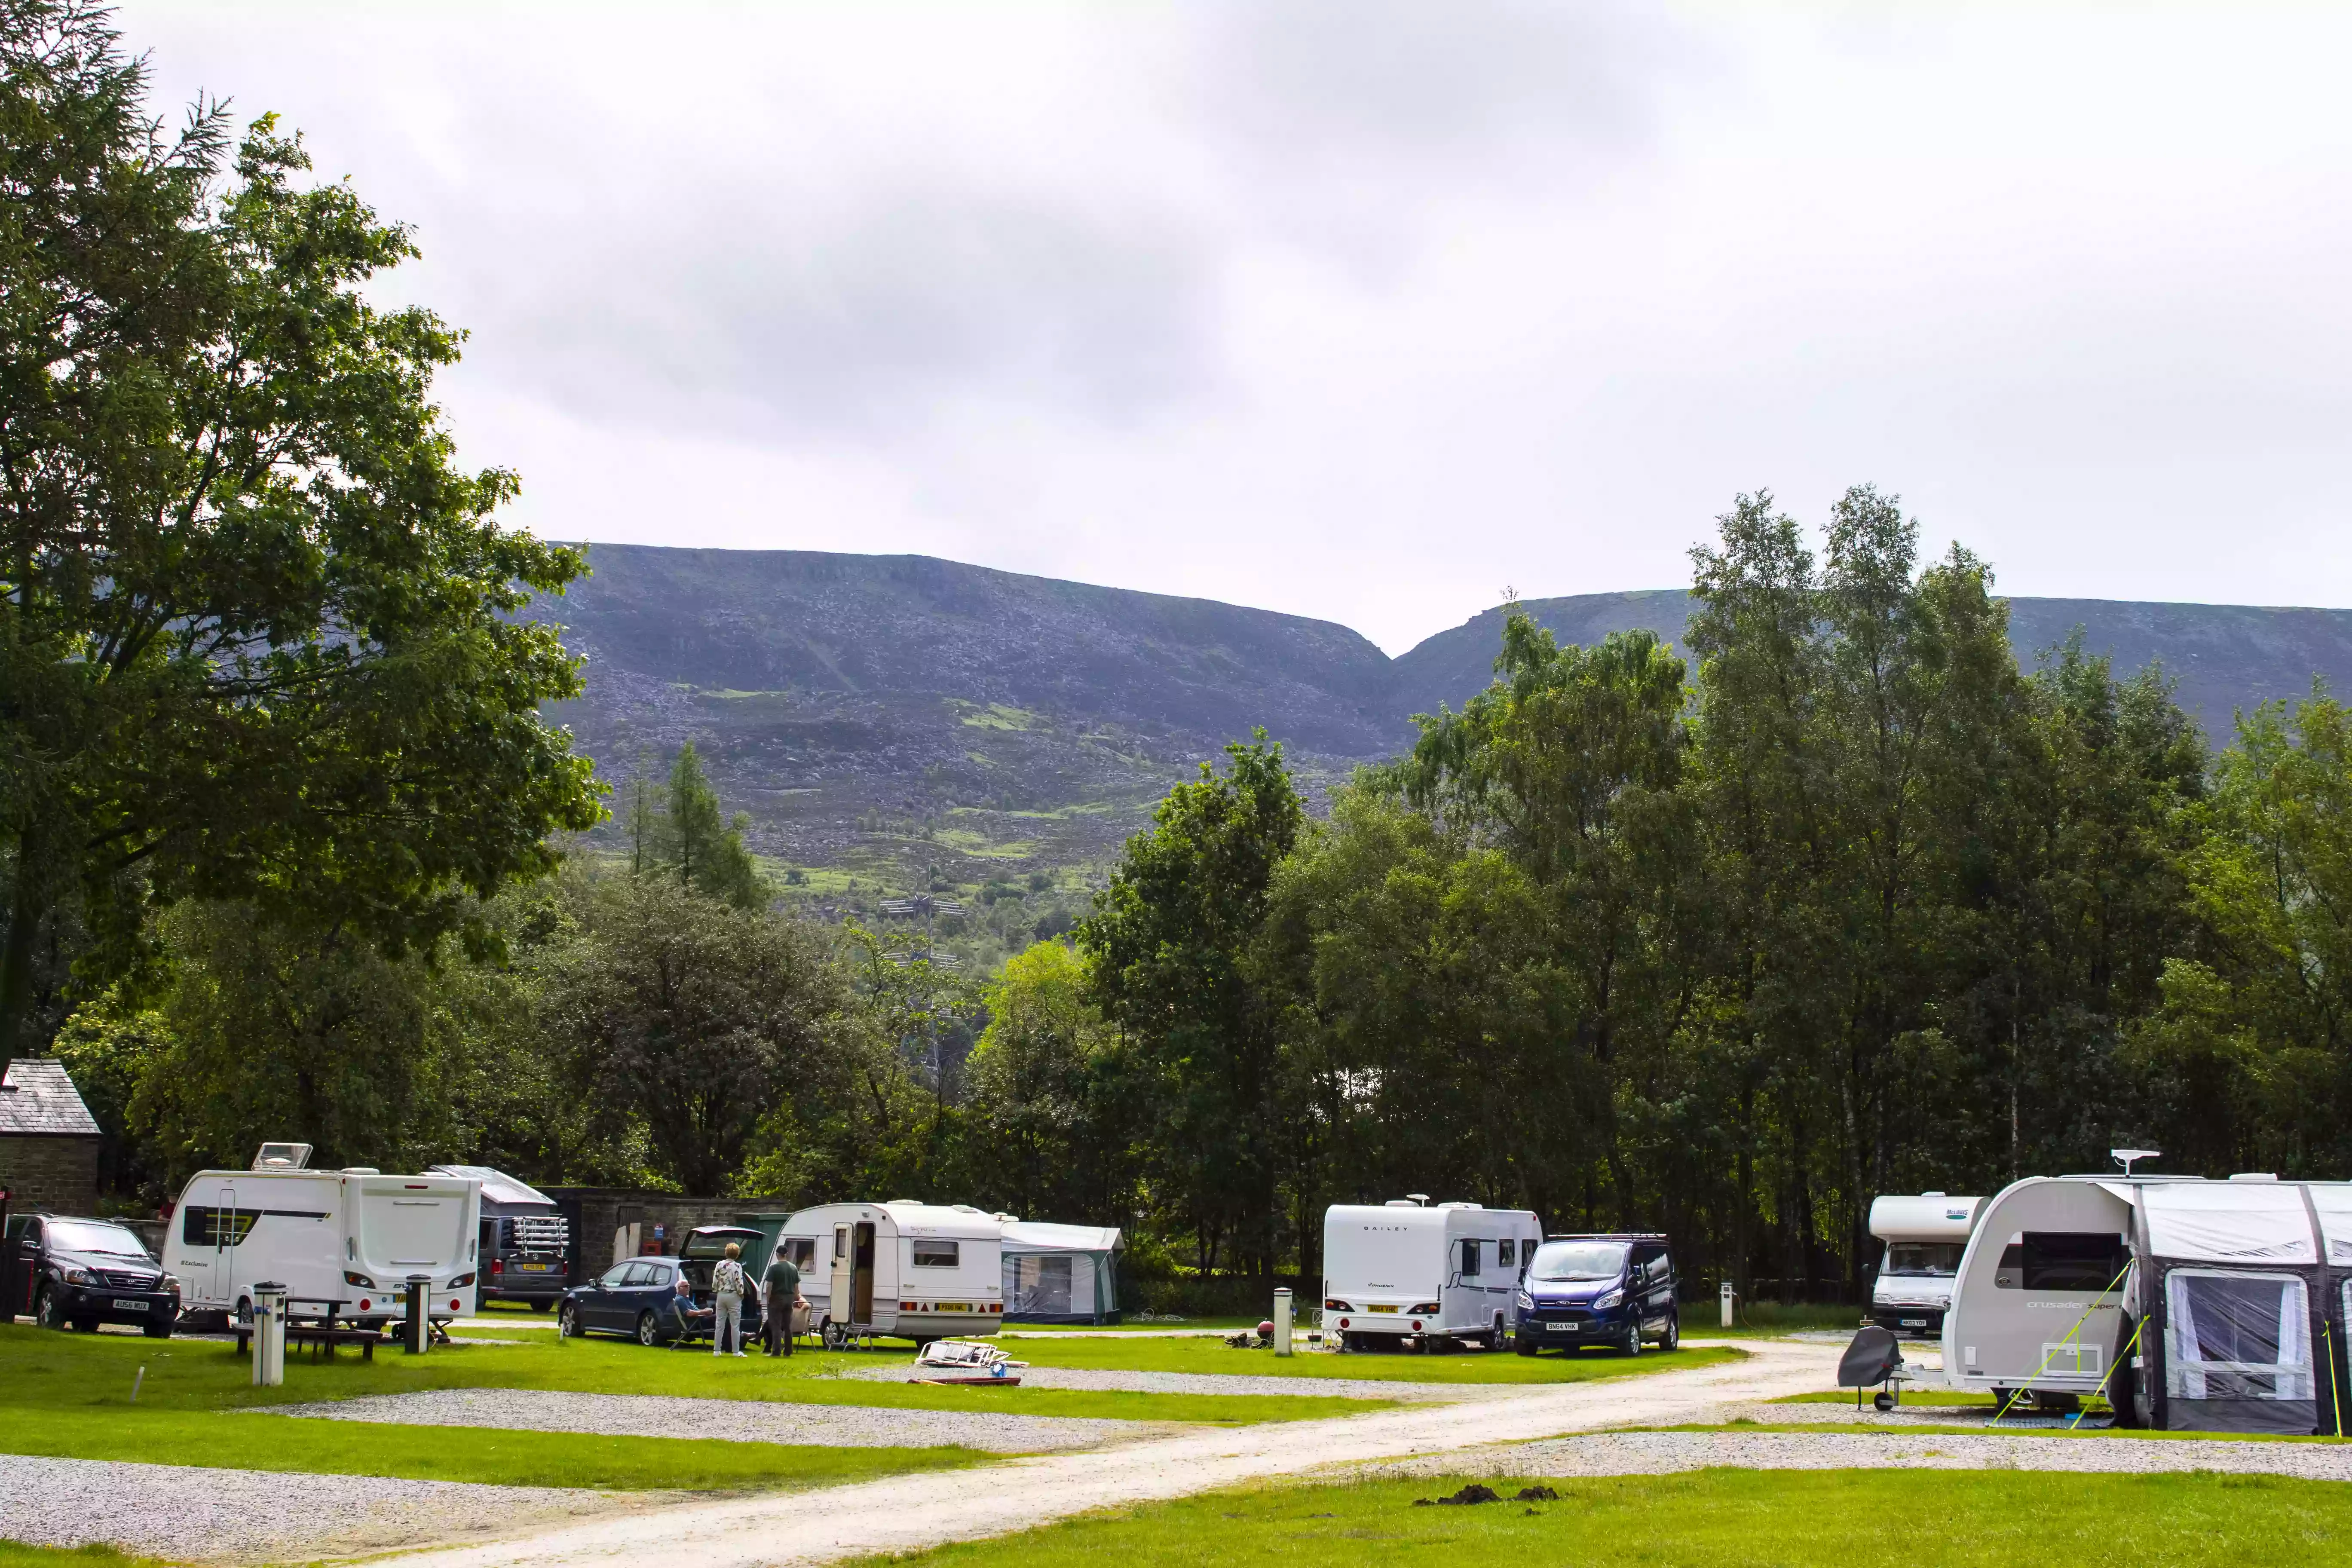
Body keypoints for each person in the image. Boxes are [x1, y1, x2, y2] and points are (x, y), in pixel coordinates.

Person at [763, 1241, 803, 1357]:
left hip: (777, 1298)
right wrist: (795, 1297)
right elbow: (796, 1288)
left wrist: (769, 1298)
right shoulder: (793, 1268)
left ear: (777, 1254)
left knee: (776, 1326)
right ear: (787, 1254)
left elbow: (769, 1285)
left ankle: (776, 1351)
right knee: (787, 1326)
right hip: (789, 1298)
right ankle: (788, 1350)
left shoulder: (774, 1268)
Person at [713, 1241, 748, 1357]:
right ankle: (736, 1351)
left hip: (721, 1294)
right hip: (733, 1295)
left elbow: (715, 1281)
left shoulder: (719, 1265)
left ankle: (717, 1350)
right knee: (735, 1324)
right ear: (737, 1254)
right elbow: (739, 1282)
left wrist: (716, 1290)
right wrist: (741, 1294)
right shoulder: (737, 1266)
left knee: (720, 1323)